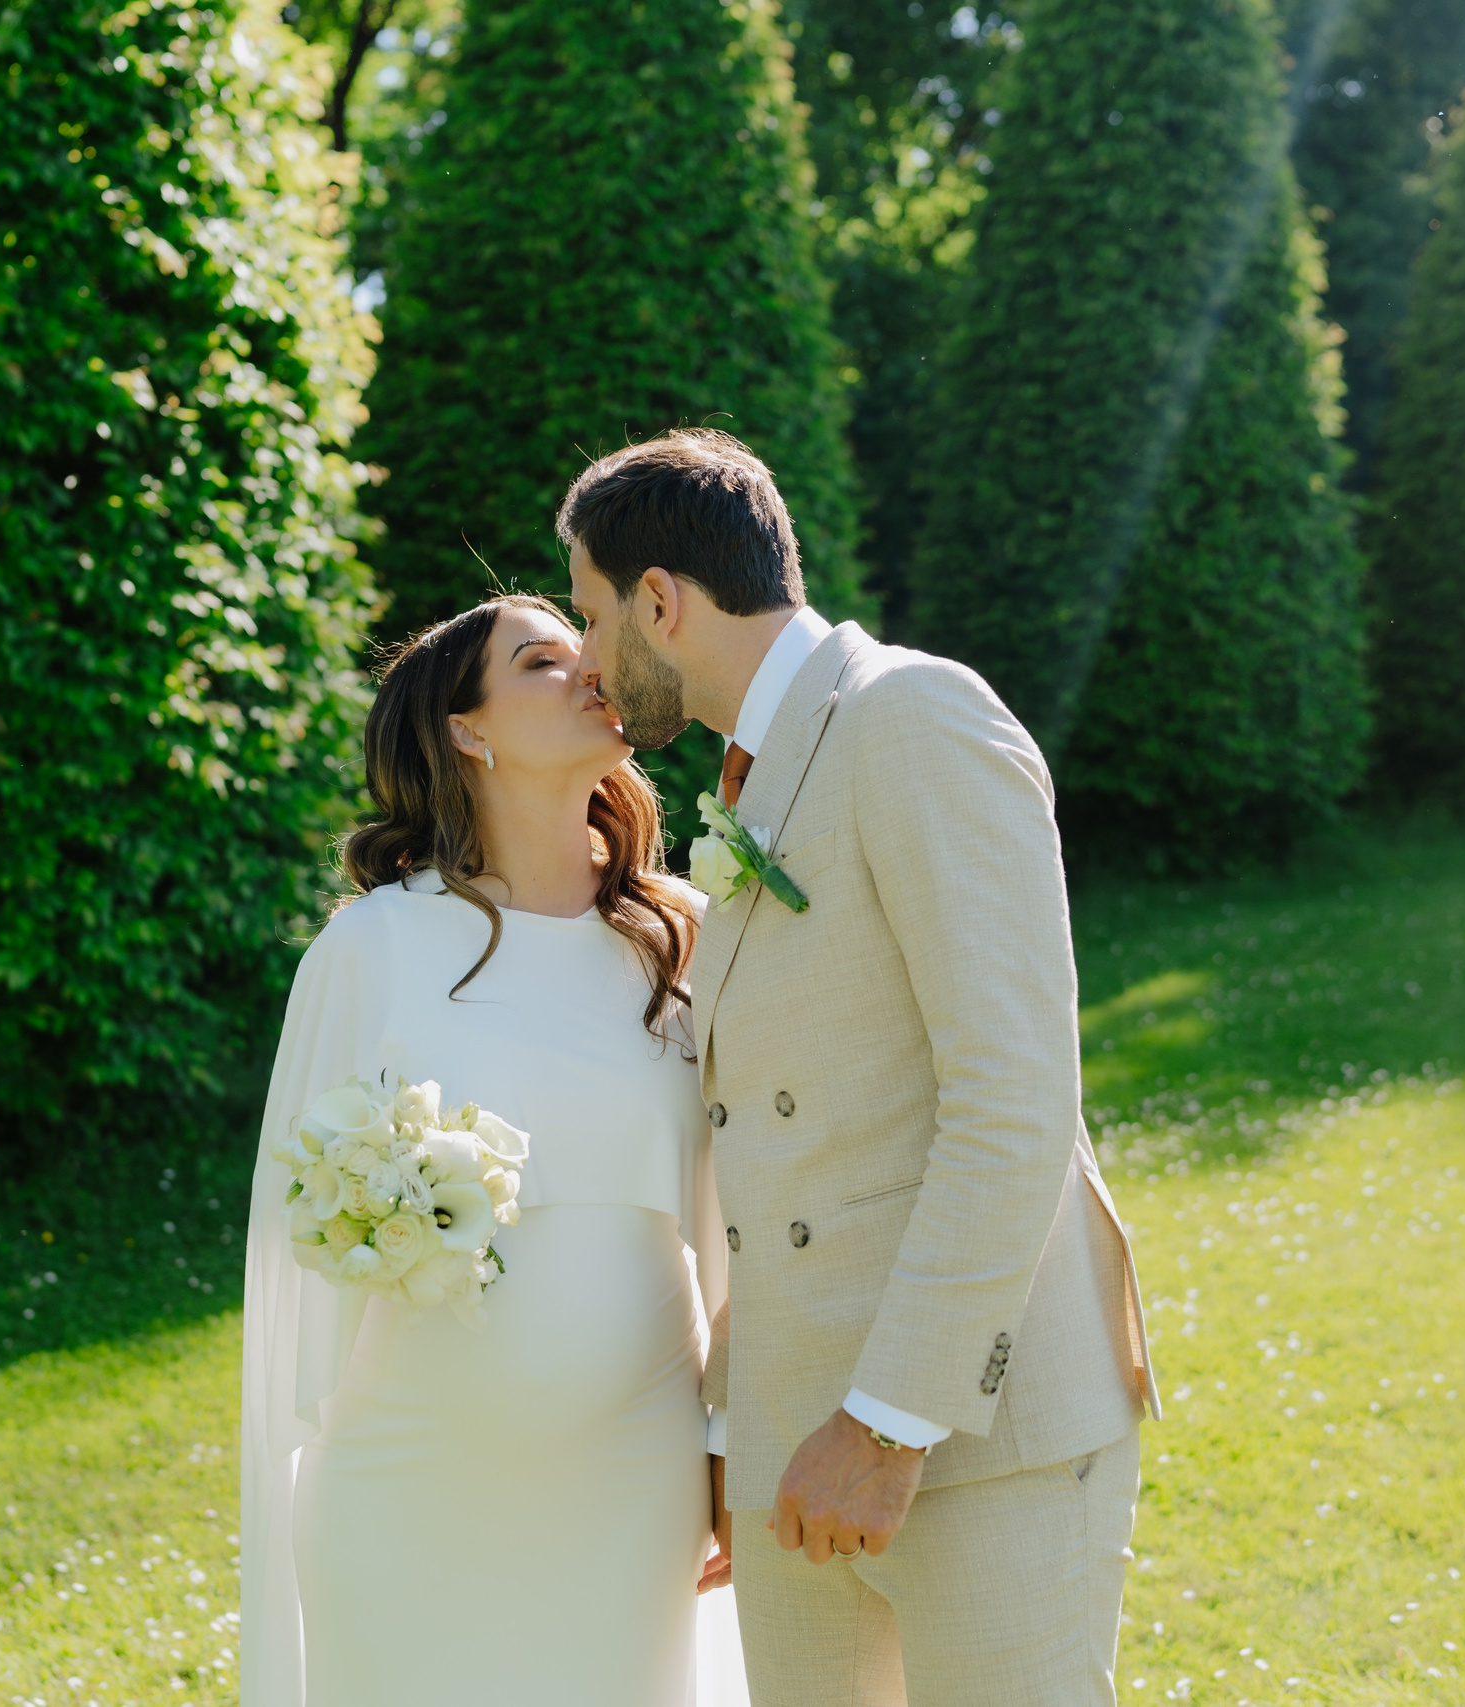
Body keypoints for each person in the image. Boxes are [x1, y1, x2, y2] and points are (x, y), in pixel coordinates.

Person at [562, 430, 1164, 1707]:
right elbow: (789, 1145)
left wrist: (888, 1423)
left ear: (660, 602)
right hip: (795, 1443)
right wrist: (739, 1422)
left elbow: (1013, 1103)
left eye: (593, 615)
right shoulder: (753, 776)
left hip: (973, 1434)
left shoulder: (914, 717)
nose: (589, 663)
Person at [237, 594, 750, 1706]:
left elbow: (729, 1215)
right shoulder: (373, 945)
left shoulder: (679, 935)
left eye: (589, 652)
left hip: (633, 1468)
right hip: (413, 1469)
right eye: (540, 662)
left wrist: (726, 1440)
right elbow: (299, 1224)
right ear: (468, 729)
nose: (591, 672)